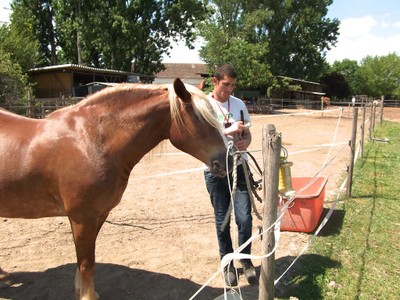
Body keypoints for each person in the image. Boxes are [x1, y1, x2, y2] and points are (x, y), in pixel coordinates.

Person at [203, 64, 257, 286]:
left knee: (244, 218)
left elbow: (248, 133)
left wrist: (245, 141)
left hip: (239, 166)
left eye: (233, 85)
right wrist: (227, 130)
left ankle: (246, 261)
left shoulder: (239, 104)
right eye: (226, 85)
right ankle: (227, 265)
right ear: (215, 81)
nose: (230, 90)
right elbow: (203, 137)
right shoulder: (204, 105)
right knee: (222, 220)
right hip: (215, 169)